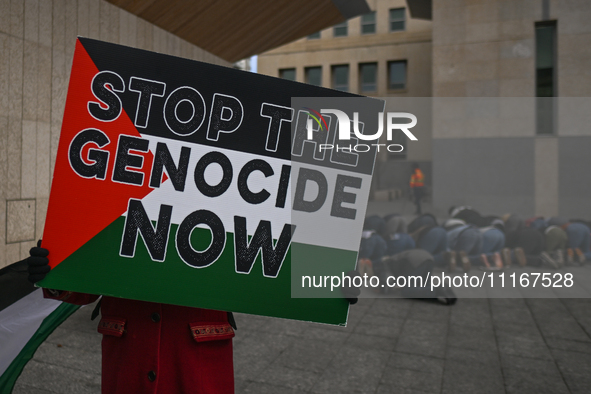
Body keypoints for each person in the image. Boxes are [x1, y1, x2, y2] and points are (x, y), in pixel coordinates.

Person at [26, 242, 359, 393]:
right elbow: (85, 285)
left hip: (197, 362)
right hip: (129, 357)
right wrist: (56, 269)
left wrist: (325, 280)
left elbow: (265, 256)